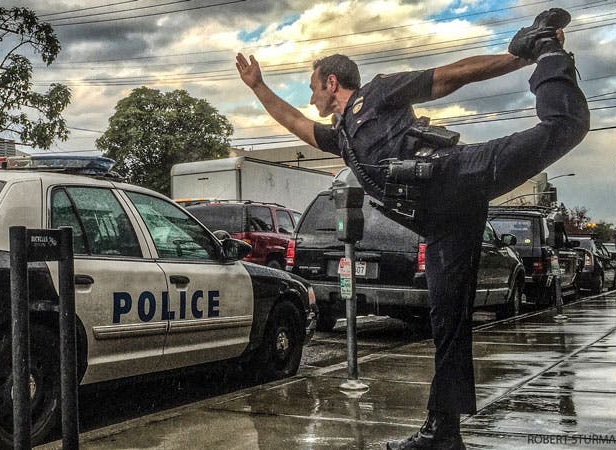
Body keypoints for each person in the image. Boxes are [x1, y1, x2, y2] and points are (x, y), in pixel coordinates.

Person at [236, 8, 588, 450]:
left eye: (312, 88)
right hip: (442, 222)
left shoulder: (378, 93)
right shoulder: (343, 136)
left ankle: (547, 47)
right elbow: (296, 124)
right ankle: (444, 431)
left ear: (331, 83)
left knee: (565, 126)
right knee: (448, 322)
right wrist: (259, 87)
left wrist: (522, 56)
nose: (311, 99)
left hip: (457, 174)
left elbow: (450, 76)